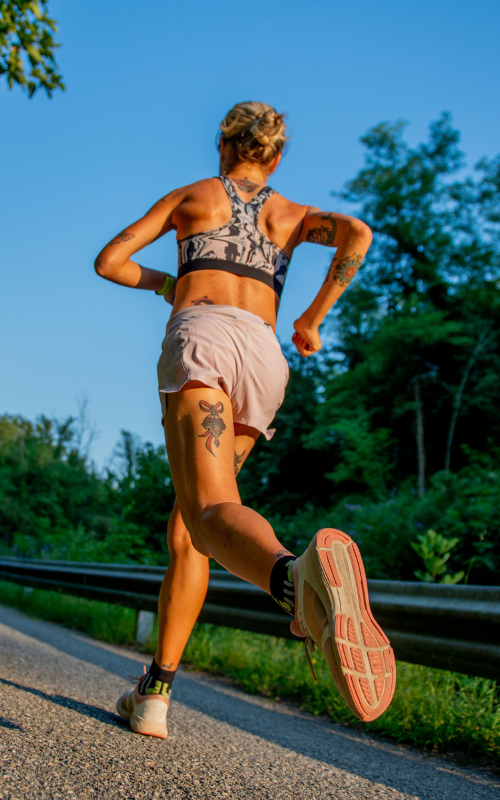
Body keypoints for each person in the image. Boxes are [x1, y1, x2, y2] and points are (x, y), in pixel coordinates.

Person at [95, 102, 396, 740]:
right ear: (276, 156)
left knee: (207, 514)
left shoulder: (193, 196)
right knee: (191, 526)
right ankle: (154, 690)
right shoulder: (290, 215)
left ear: (222, 146)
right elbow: (358, 235)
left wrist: (165, 285)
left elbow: (110, 261)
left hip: (204, 335)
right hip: (264, 357)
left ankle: (296, 582)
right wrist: (313, 318)